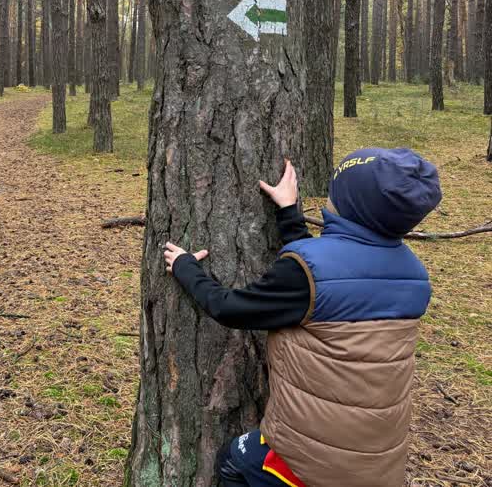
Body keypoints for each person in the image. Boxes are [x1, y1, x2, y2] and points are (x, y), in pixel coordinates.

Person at [163, 149, 442, 487]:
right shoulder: (415, 276)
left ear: (352, 205)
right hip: (377, 461)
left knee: (234, 461)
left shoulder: (307, 275)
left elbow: (229, 307)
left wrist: (186, 267)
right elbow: (332, 282)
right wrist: (288, 212)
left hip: (316, 463)